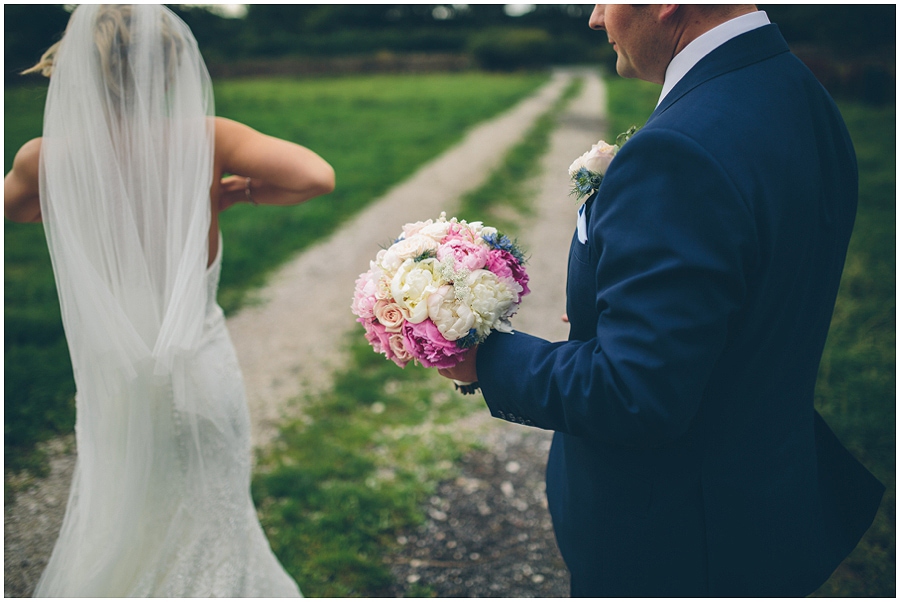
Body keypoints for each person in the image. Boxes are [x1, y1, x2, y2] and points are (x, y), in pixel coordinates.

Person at [439, 4, 884, 597]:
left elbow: (634, 393)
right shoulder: (797, 91)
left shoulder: (683, 147)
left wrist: (483, 360)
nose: (596, 18)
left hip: (676, 543)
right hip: (764, 503)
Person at [4, 5, 334, 596]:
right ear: (170, 66)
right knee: (215, 514)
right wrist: (240, 193)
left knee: (125, 516)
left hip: (115, 384)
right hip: (201, 375)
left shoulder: (43, 157)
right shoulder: (204, 141)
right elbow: (315, 175)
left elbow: (20, 209)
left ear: (76, 64)